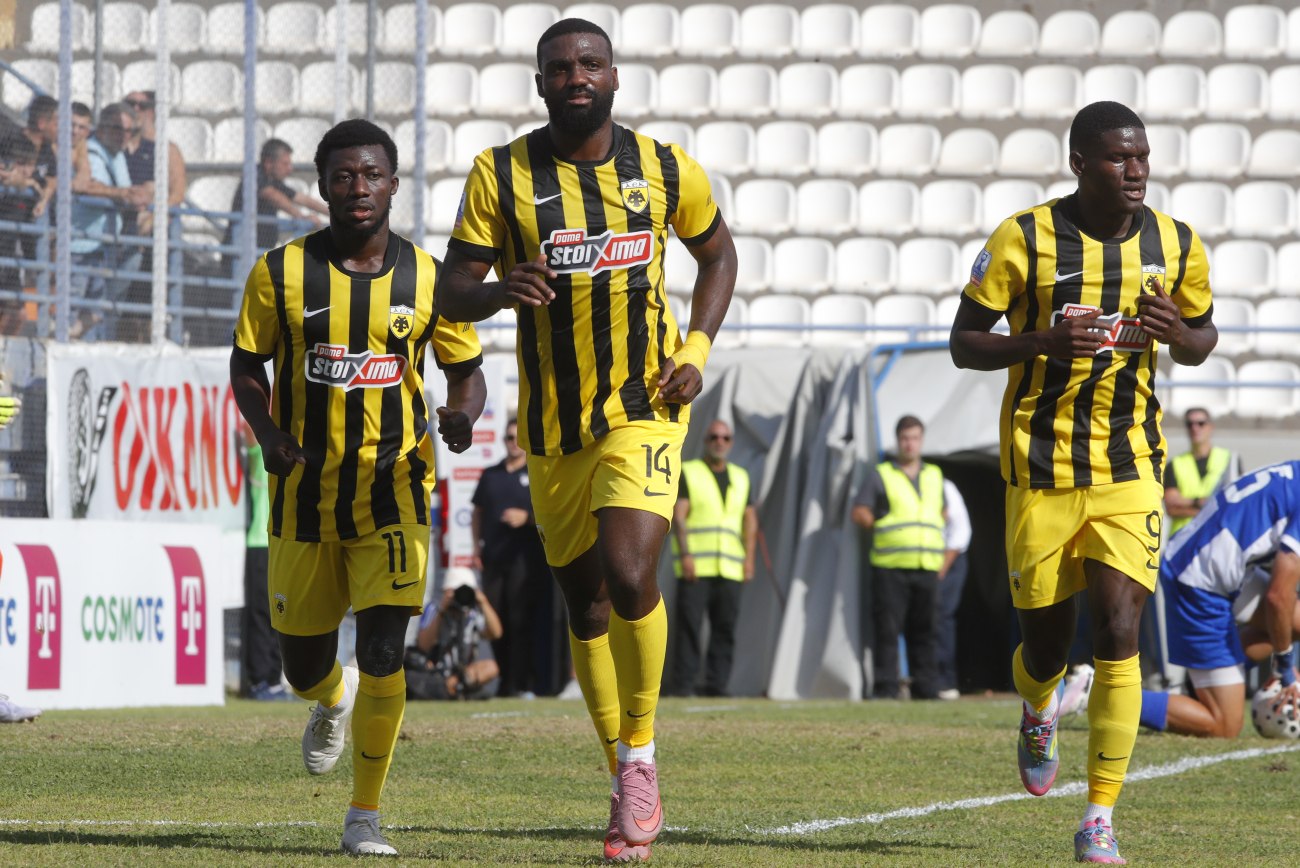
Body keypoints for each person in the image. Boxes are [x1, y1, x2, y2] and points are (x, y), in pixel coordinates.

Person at [436, 17, 737, 863]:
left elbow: (719, 257)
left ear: (614, 76)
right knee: (588, 605)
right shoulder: (500, 174)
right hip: (553, 428)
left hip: (645, 405)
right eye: (561, 67)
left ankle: (640, 756)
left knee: (632, 572)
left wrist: (695, 350)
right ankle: (622, 776)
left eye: (590, 63)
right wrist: (500, 292)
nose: (577, 76)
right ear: (540, 84)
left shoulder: (666, 169)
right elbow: (452, 290)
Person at [950, 101, 1218, 864]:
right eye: (1118, 158)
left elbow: (1203, 337)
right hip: (1040, 468)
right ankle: (1039, 706)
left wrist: (1179, 334)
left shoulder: (1176, 243)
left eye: (1142, 157)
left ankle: (1099, 817)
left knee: (1119, 631)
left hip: (1131, 466)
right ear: (1079, 163)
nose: (1136, 171)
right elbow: (964, 342)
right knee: (1044, 646)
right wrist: (1039, 340)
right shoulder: (1024, 237)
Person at [230, 118, 486, 857]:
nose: (358, 187)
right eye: (343, 176)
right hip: (304, 499)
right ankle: (329, 698)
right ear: (322, 185)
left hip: (395, 492)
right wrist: (267, 432)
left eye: (372, 174)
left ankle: (364, 814)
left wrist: (462, 416)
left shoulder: (428, 279)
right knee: (302, 667)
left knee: (383, 652)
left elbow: (465, 372)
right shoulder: (280, 272)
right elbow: (246, 365)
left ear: (394, 184)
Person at [1063, 462, 1300, 739]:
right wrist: (1285, 668)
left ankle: (1200, 686)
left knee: (1293, 620)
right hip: (1200, 580)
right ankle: (1097, 689)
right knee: (1224, 724)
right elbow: (1277, 597)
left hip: (1216, 562)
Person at [851, 415, 947, 700]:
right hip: (890, 566)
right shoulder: (881, 474)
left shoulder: (934, 475)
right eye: (905, 438)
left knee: (926, 631)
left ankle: (926, 687)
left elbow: (942, 511)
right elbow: (860, 511)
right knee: (887, 631)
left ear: (922, 440)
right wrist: (877, 523)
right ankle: (886, 688)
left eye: (914, 438)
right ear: (897, 441)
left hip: (926, 565)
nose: (910, 444)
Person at [669, 418, 756, 697]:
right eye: (714, 437)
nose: (719, 442)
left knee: (724, 628)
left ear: (731, 443)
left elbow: (749, 520)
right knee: (689, 627)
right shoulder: (690, 472)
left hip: (730, 566)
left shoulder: (741, 477)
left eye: (725, 438)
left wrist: (749, 559)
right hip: (697, 565)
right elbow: (679, 516)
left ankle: (718, 685)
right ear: (705, 441)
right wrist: (685, 554)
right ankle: (684, 685)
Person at [470, 417, 550, 698]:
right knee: (496, 622)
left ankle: (522, 683)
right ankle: (503, 682)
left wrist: (526, 518)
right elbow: (477, 512)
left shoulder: (537, 474)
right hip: (494, 560)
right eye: (508, 437)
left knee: (521, 621)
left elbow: (551, 512)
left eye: (517, 438)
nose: (513, 443)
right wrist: (476, 547)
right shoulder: (491, 474)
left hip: (525, 562)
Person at [70, 102, 151, 339]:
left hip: (101, 247)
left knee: (96, 311)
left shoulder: (117, 155)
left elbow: (124, 191)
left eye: (129, 131)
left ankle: (75, 342)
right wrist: (124, 195)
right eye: (117, 129)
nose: (124, 136)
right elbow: (90, 187)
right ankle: (62, 344)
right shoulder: (92, 151)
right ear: (102, 127)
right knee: (72, 308)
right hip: (79, 245)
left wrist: (137, 195)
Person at [222, 138, 327, 276]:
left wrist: (333, 212)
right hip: (242, 256)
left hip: (260, 253)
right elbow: (272, 195)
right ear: (269, 163)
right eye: (285, 164)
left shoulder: (273, 180)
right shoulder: (254, 176)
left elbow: (302, 199)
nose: (290, 169)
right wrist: (301, 217)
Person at [238, 419, 290, 701]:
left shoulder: (294, 451)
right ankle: (260, 680)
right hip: (260, 539)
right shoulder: (264, 447)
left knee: (280, 612)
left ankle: (273, 679)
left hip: (283, 541)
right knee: (261, 613)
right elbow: (248, 424)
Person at [406, 568, 504, 701]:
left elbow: (496, 633)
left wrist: (483, 601)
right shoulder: (435, 609)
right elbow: (423, 645)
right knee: (410, 676)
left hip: (463, 674)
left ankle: (455, 688)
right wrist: (442, 610)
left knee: (491, 667)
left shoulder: (473, 613)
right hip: (435, 672)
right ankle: (458, 691)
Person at [1163, 408, 1243, 537]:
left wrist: (1186, 503)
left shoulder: (1229, 460)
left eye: (1201, 423)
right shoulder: (1175, 464)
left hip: (1217, 537)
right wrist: (1201, 503)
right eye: (1190, 424)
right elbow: (1171, 507)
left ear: (1211, 427)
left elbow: (1235, 502)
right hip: (1182, 540)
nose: (1195, 428)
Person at [121, 90, 188, 235]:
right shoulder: (116, 147)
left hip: (152, 215)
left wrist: (154, 214)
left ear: (152, 111)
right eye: (129, 104)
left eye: (142, 106)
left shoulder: (168, 149)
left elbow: (177, 193)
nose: (135, 109)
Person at [935, 478, 971, 701]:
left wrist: (942, 568)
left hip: (946, 561)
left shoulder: (943, 486)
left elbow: (960, 532)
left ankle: (944, 681)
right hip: (915, 563)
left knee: (941, 618)